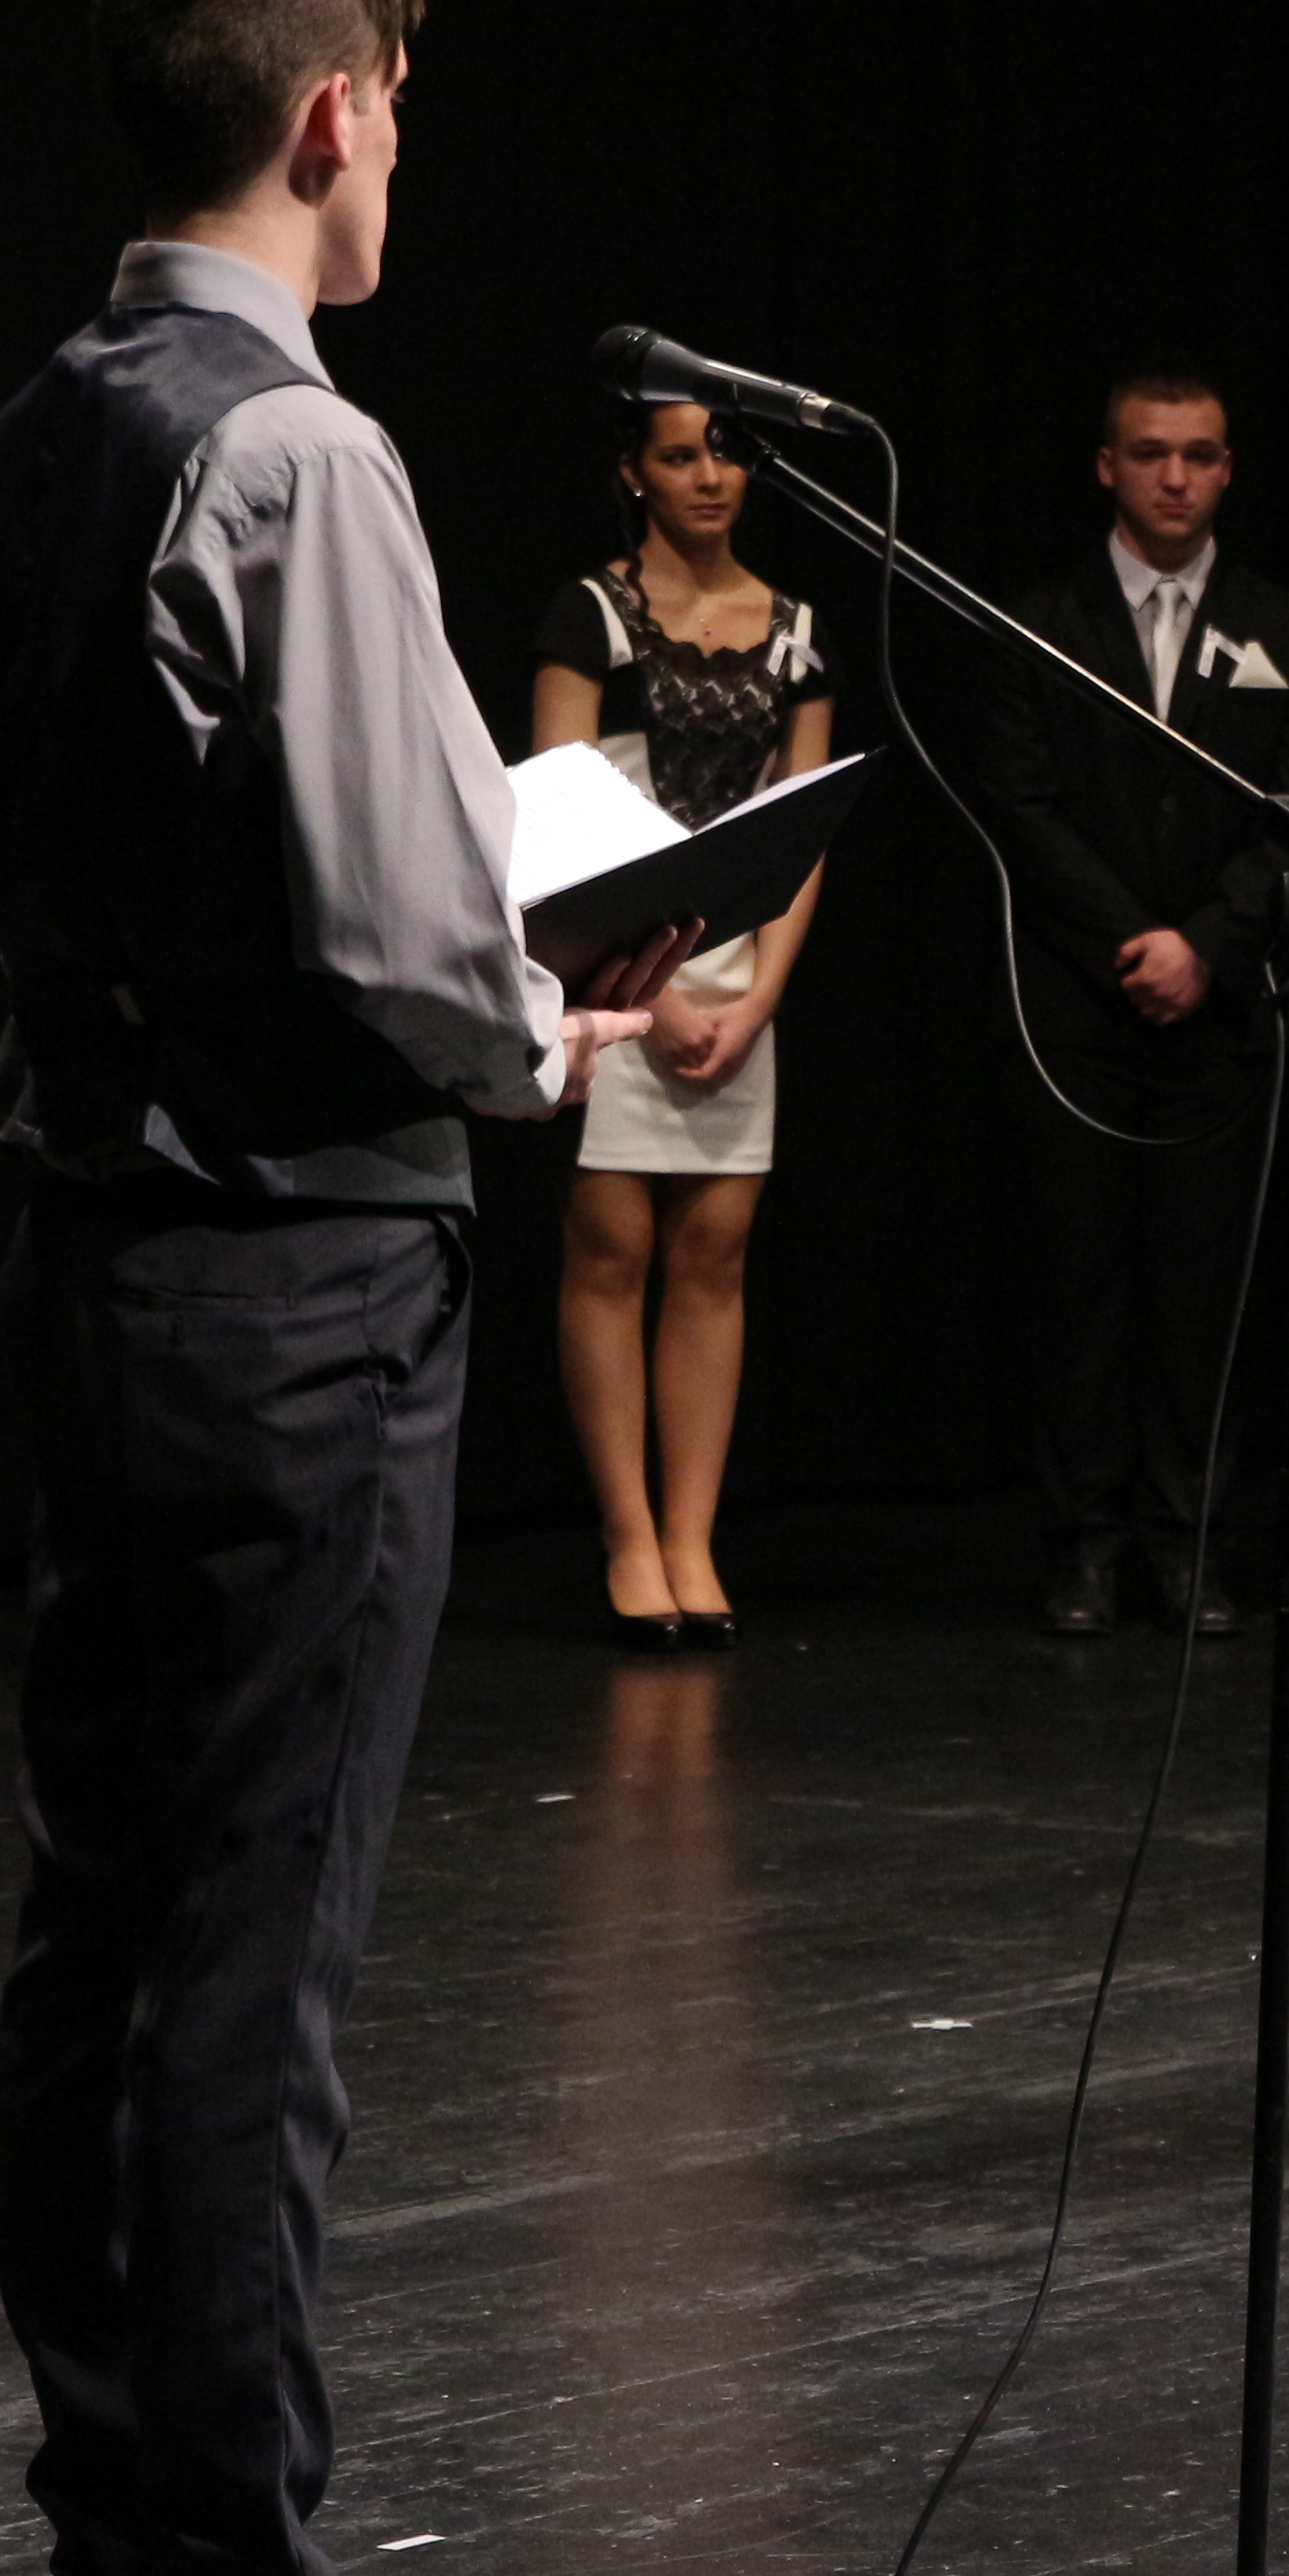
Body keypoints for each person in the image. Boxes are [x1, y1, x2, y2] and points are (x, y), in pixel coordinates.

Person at [0, 0, 687, 2576]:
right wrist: (546, 1022)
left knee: (104, 1929)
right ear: (338, 112)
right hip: (303, 1268)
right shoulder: (297, 452)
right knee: (254, 1958)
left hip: (99, 1251)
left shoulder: (10, 448)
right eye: (403, 114)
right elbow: (394, 929)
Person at [975, 362, 1289, 1638]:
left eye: (1198, 455)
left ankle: (1191, 1545)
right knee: (1080, 1286)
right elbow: (1021, 808)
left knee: (1202, 1291)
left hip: (1222, 1012)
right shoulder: (1036, 623)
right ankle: (1084, 1545)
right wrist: (1133, 941)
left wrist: (1207, 946)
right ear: (1107, 467)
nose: (1174, 477)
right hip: (1079, 1009)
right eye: (1150, 454)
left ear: (1228, 470)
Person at [530, 398, 837, 1652]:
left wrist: (760, 996)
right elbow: (554, 804)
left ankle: (694, 1535)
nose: (708, 476)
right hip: (619, 968)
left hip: (740, 977)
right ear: (632, 473)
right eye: (678, 455)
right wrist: (640, 998)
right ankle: (628, 1534)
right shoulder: (591, 613)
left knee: (714, 1253)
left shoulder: (797, 627)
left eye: (724, 454)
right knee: (610, 1248)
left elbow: (805, 823)